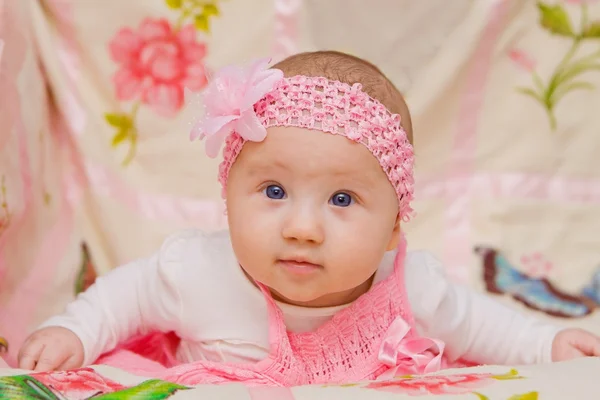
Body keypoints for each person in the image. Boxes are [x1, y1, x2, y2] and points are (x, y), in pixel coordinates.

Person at [17, 51, 600, 385]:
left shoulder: (411, 286)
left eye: (342, 201)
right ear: (227, 196)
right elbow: (123, 297)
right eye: (272, 190)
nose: (302, 227)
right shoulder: (195, 270)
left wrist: (549, 343)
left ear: (395, 225)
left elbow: (481, 327)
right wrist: (75, 331)